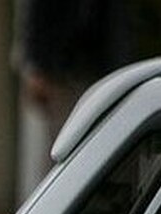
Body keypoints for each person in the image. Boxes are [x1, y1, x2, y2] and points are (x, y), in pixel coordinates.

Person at [15, 0, 131, 194]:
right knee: (61, 146)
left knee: (92, 144)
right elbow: (34, 22)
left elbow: (115, 28)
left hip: (94, 71)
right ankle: (52, 200)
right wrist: (37, 70)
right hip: (60, 72)